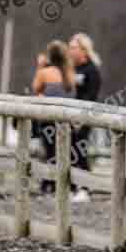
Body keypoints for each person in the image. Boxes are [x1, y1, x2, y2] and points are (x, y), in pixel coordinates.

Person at [31, 41, 76, 195]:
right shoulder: (70, 73)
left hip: (48, 119)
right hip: (66, 119)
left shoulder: (45, 72)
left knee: (49, 153)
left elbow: (36, 88)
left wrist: (40, 66)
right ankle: (65, 184)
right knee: (65, 152)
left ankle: (48, 183)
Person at [68, 33, 102, 202]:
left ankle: (85, 188)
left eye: (73, 47)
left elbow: (91, 95)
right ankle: (73, 187)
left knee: (79, 150)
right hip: (71, 114)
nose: (70, 50)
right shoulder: (73, 68)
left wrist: (81, 117)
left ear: (83, 50)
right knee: (69, 150)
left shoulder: (91, 69)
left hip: (85, 115)